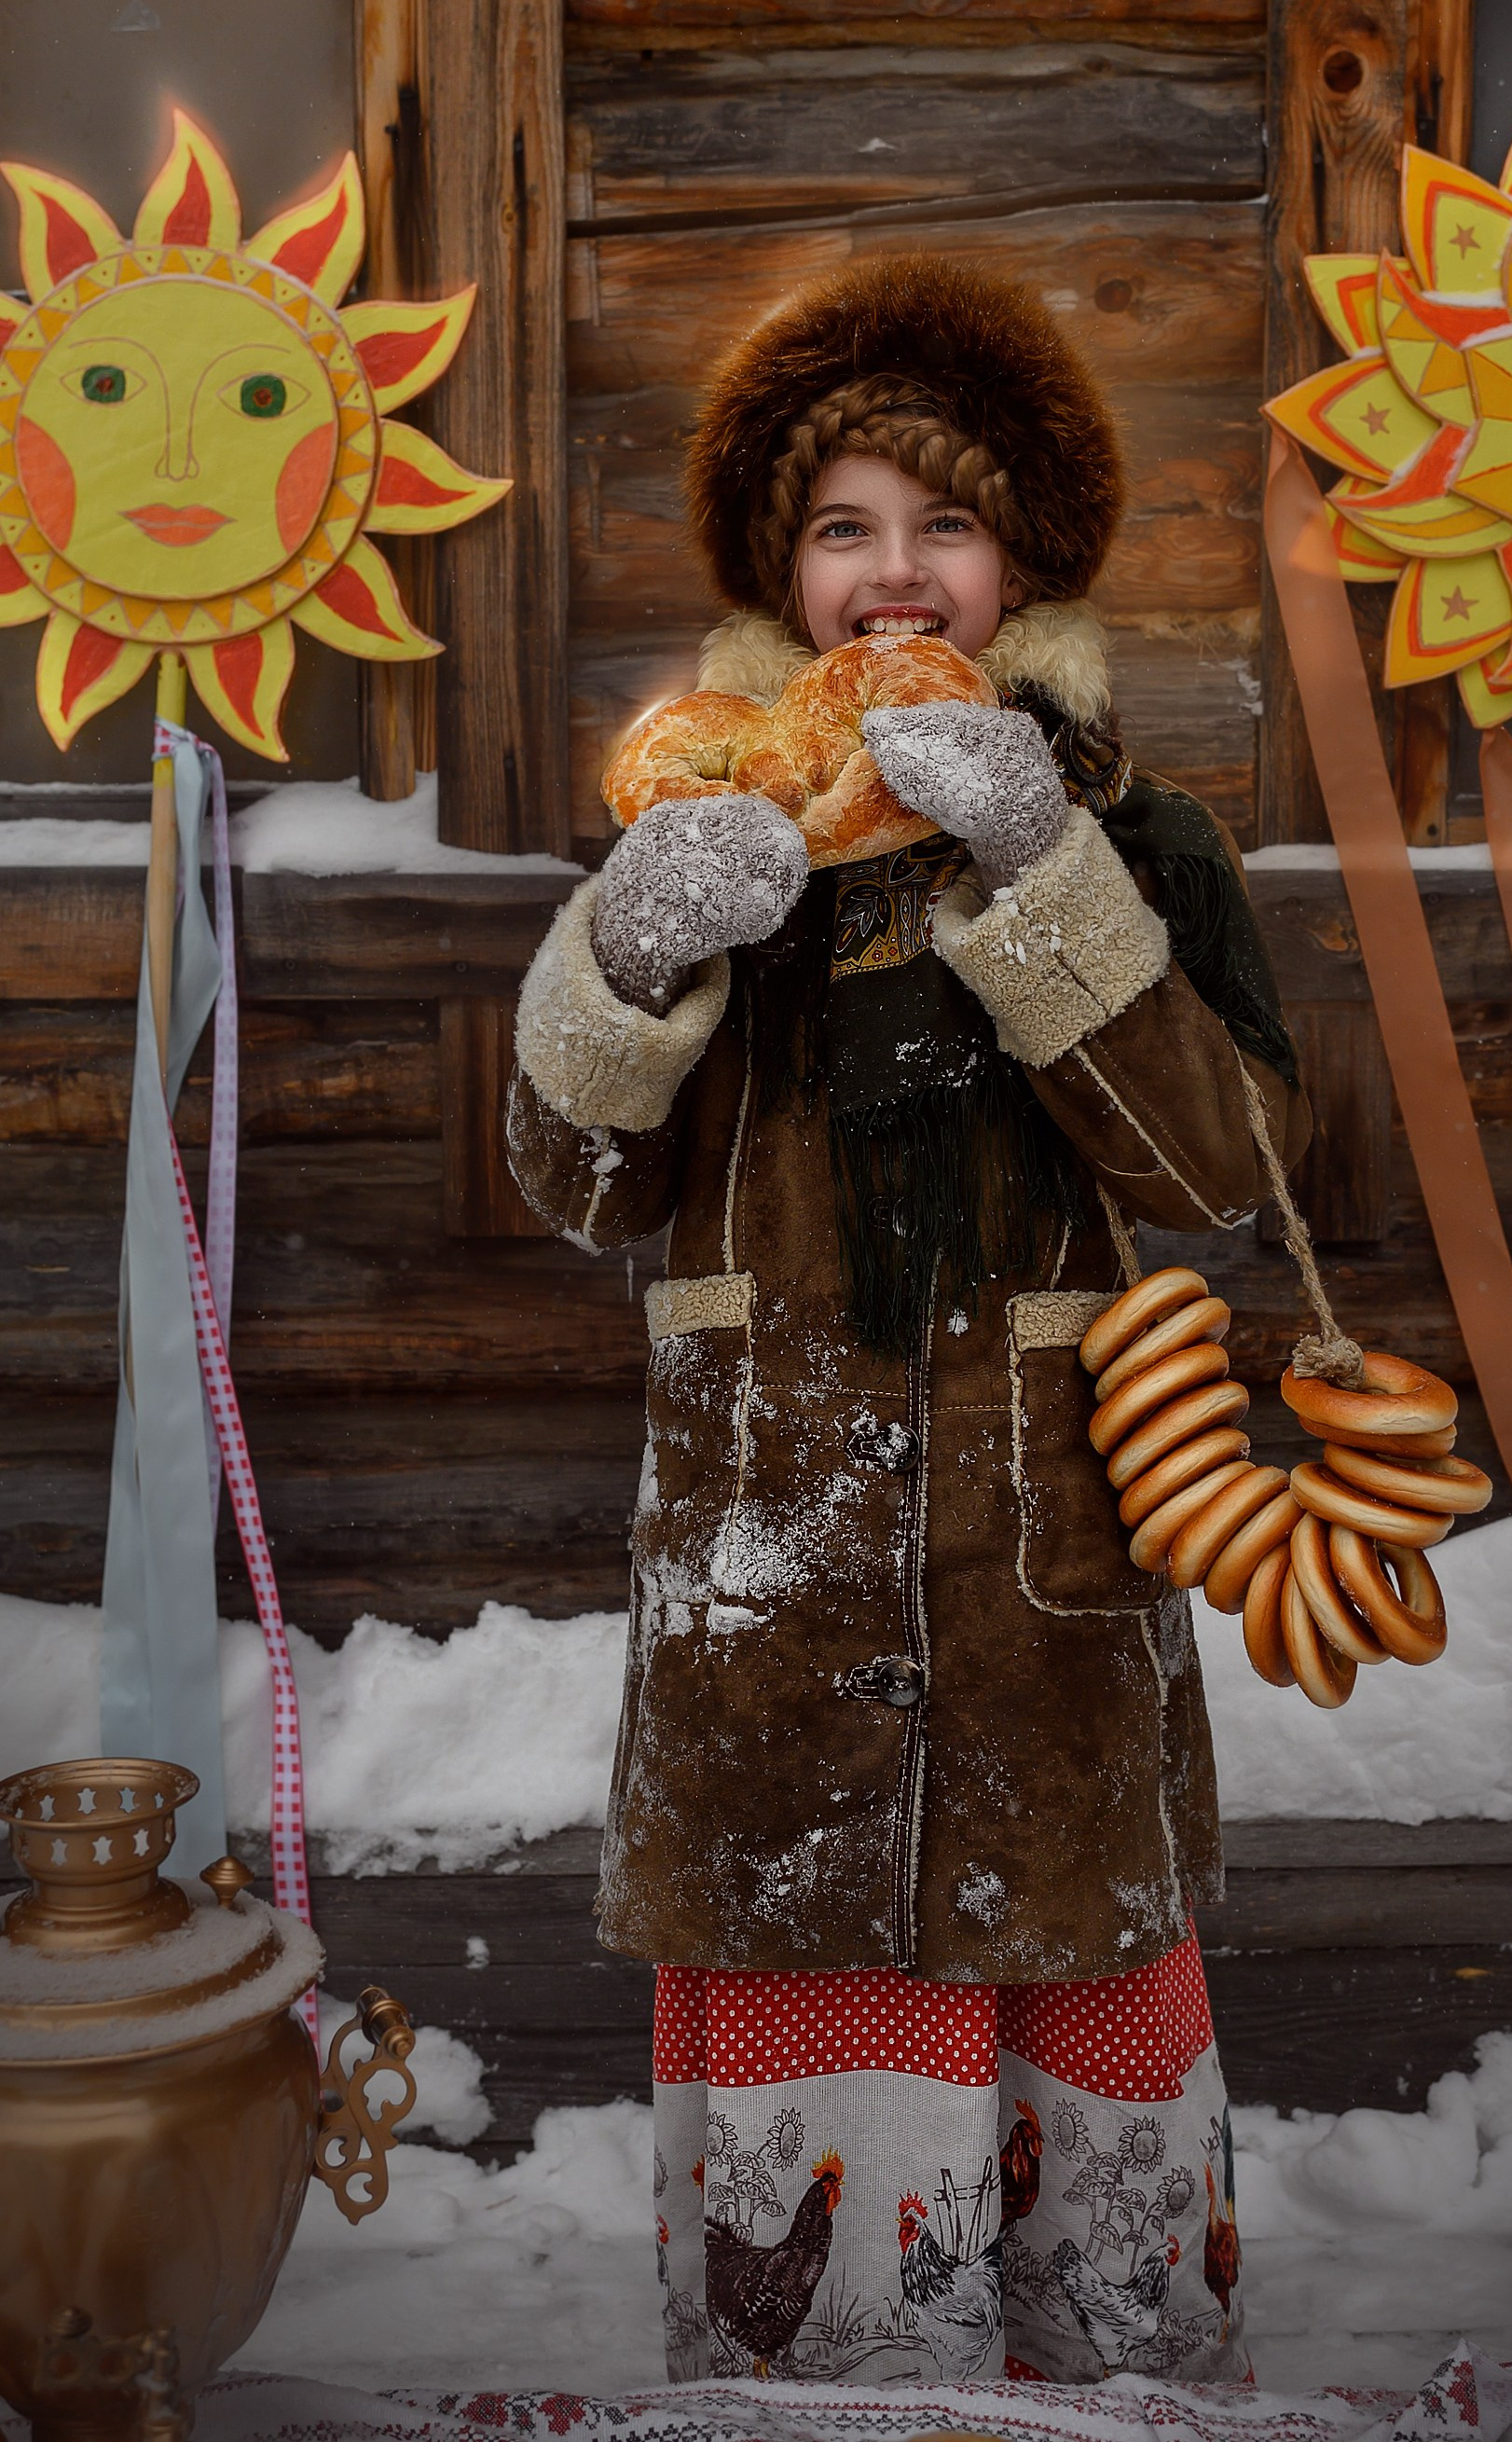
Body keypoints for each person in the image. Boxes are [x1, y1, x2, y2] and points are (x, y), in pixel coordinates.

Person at [507, 255, 1310, 2389]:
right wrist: (632, 960)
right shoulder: (706, 829)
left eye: (937, 524)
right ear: (783, 562)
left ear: (1024, 550)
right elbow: (568, 1181)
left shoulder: (1136, 831)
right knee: (806, 2018)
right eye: (843, 525)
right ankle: (817, 2397)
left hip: (1042, 1568)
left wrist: (1040, 868)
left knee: (1066, 1960)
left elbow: (1217, 1170)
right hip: (771, 1565)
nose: (892, 574)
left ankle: (1105, 2387)